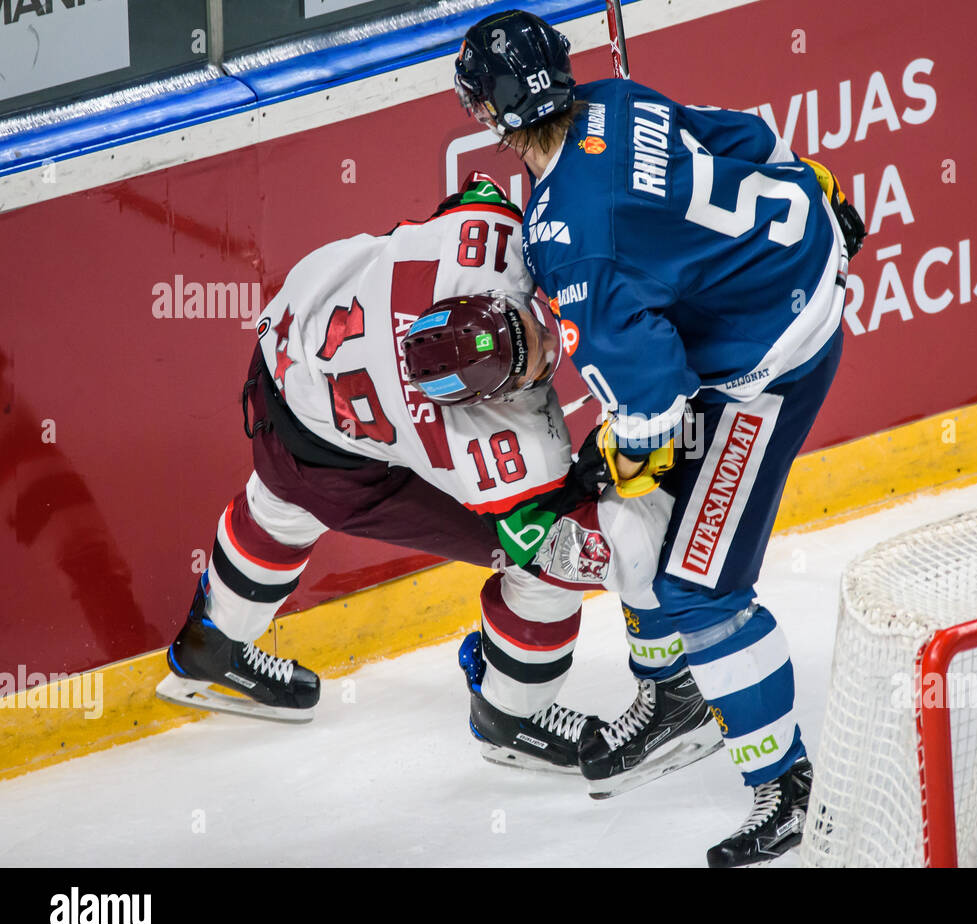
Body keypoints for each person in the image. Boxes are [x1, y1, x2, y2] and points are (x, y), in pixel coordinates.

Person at [454, 10, 866, 866]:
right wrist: (820, 188)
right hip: (800, 244)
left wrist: (627, 449)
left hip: (772, 367)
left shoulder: (572, 245)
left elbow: (657, 404)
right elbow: (752, 139)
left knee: (697, 589)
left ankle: (787, 789)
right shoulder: (614, 100)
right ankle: (676, 696)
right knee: (629, 504)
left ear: (489, 117)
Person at [157, 175, 720, 787]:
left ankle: (211, 646)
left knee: (283, 500)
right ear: (487, 400)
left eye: (524, 329)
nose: (547, 345)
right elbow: (549, 543)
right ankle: (511, 716)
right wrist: (586, 490)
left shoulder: (476, 252)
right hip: (327, 447)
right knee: (537, 563)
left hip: (285, 357)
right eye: (527, 364)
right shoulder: (488, 444)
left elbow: (475, 194)